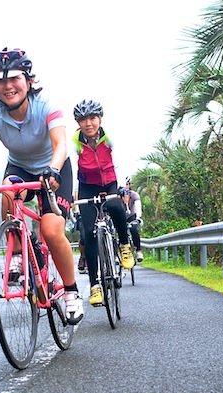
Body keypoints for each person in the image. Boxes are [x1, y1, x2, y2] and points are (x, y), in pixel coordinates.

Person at [0, 48, 83, 325]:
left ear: (28, 80)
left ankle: (71, 291)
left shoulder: (46, 104)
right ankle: (15, 256)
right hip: (20, 168)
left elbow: (60, 144)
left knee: (49, 230)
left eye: (13, 78)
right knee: (7, 191)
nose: (7, 86)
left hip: (54, 167)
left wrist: (54, 169)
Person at [72, 99, 134, 307]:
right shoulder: (74, 142)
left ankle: (124, 245)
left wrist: (123, 186)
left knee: (116, 206)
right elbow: (70, 166)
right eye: (83, 120)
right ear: (78, 123)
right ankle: (94, 285)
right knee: (87, 232)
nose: (88, 123)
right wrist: (73, 196)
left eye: (92, 118)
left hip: (110, 183)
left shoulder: (109, 138)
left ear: (99, 119)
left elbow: (120, 160)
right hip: (87, 186)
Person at [120, 179, 144, 262]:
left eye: (127, 184)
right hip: (120, 216)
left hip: (131, 216)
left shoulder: (134, 195)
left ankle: (138, 251)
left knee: (133, 229)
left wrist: (138, 218)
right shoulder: (117, 196)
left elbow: (138, 207)